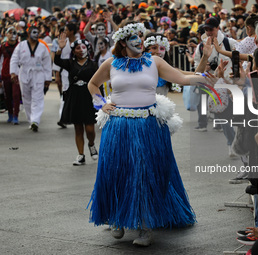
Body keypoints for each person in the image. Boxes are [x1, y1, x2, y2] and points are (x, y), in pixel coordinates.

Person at [87, 22, 215, 247]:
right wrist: (100, 105)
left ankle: (145, 226)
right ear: (123, 42)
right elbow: (93, 84)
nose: (139, 41)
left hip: (147, 125)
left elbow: (183, 79)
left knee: (144, 174)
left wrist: (206, 76)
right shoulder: (110, 63)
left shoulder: (154, 62)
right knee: (117, 171)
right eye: (134, 38)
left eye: (140, 37)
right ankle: (118, 218)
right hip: (118, 125)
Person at [54, 36, 99, 166]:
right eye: (78, 48)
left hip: (88, 97)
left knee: (90, 128)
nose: (81, 50)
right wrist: (60, 49)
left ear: (88, 49)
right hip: (75, 97)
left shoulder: (94, 64)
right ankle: (81, 155)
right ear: (74, 51)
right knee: (78, 127)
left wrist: (100, 100)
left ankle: (91, 144)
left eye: (83, 47)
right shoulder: (70, 63)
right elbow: (57, 61)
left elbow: (98, 82)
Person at [10, 26, 52, 132]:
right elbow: (14, 59)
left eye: (37, 32)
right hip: (24, 73)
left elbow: (47, 63)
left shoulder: (42, 47)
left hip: (38, 74)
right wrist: (13, 73)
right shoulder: (21, 46)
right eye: (33, 32)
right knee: (26, 99)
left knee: (37, 98)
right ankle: (31, 120)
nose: (35, 34)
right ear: (28, 33)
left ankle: (35, 121)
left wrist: (48, 78)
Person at [0, 26, 19, 124]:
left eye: (14, 33)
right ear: (6, 34)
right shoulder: (2, 46)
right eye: (10, 33)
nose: (12, 35)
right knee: (7, 96)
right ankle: (10, 114)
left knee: (16, 95)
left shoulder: (20, 46)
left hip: (17, 74)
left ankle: (16, 115)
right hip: (5, 73)